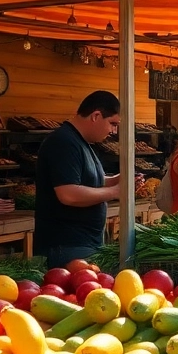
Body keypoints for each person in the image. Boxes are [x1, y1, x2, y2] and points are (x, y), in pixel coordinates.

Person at [35, 91, 135, 268]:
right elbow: (68, 194)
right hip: (67, 247)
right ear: (96, 116)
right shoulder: (63, 142)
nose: (114, 131)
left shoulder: (82, 143)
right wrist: (115, 192)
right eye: (112, 124)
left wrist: (116, 180)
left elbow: (88, 181)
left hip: (84, 245)